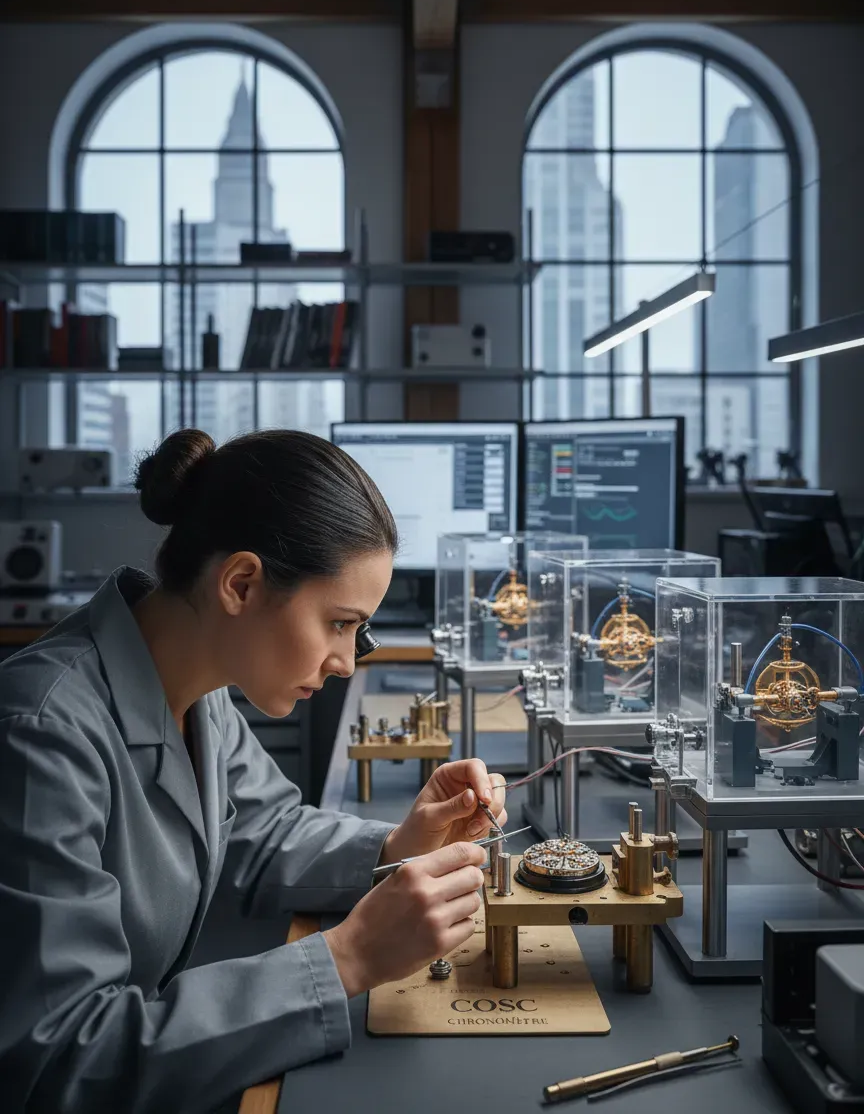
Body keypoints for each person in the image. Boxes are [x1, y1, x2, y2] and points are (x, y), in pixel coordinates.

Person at [0, 428, 507, 1114]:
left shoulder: (197, 688)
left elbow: (267, 830)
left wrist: (400, 846)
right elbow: (62, 1059)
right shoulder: (41, 734)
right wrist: (346, 958)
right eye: (338, 623)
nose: (346, 662)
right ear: (240, 583)